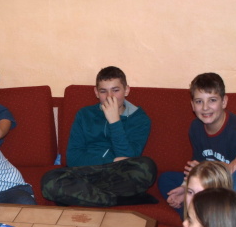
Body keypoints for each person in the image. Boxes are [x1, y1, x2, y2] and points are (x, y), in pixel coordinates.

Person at [40, 66, 157, 207]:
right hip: (86, 171)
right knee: (49, 180)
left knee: (146, 167)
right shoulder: (84, 114)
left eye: (115, 90)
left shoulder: (140, 119)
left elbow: (129, 159)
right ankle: (120, 200)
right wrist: (111, 160)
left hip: (118, 175)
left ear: (126, 90)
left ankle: (81, 197)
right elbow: (73, 158)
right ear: (96, 92)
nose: (109, 97)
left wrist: (115, 121)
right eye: (103, 91)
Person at [159, 73, 236, 214]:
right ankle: (194, 210)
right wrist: (186, 187)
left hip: (230, 186)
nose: (205, 107)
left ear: (224, 101)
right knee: (166, 179)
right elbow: (197, 165)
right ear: (192, 105)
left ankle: (193, 215)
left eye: (212, 100)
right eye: (199, 101)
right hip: (205, 182)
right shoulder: (196, 127)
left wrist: (200, 184)